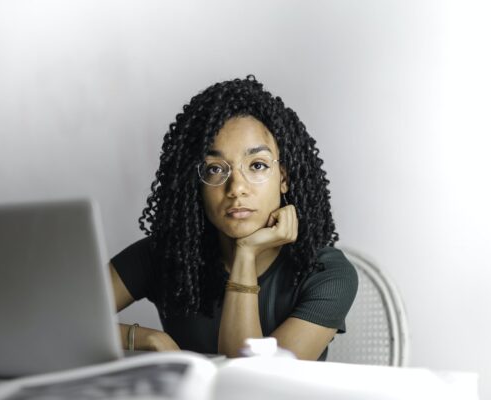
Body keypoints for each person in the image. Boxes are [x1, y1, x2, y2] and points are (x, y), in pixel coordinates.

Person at [109, 75, 358, 361]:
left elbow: (253, 384)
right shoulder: (166, 254)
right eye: (215, 169)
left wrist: (246, 253)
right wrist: (148, 339)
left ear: (284, 178)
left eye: (257, 165)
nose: (236, 188)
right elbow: (54, 319)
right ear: (197, 184)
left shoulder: (327, 273)